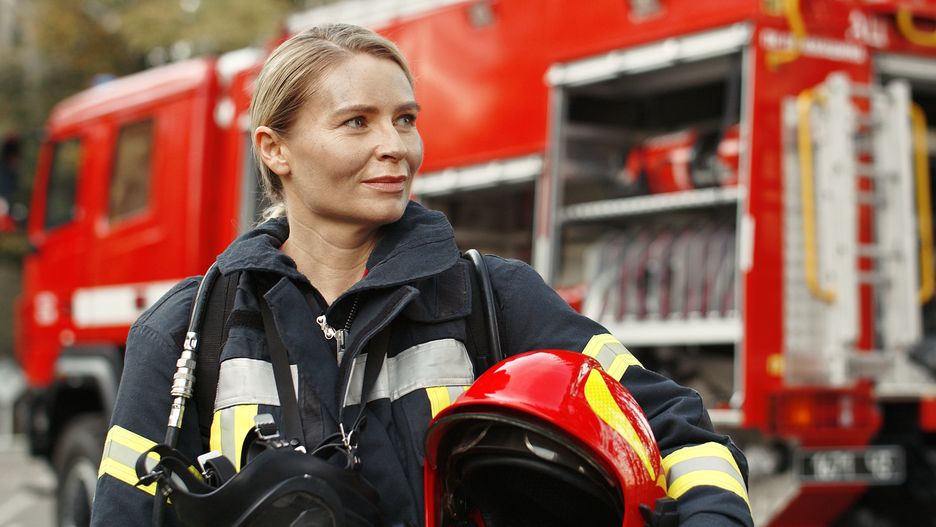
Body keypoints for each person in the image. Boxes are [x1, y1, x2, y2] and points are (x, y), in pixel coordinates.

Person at [91, 24, 753, 527]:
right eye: (357, 122)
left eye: (405, 120)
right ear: (275, 149)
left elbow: (678, 431)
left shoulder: (494, 298)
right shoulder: (185, 330)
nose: (397, 147)